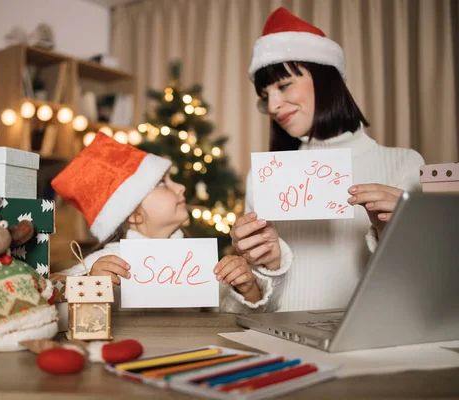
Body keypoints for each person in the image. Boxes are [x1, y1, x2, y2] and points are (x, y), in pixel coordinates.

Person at [232, 7, 425, 312]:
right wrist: (269, 264)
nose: (274, 105)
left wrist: (390, 232)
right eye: (265, 95)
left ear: (326, 78)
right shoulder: (262, 178)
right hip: (282, 341)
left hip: (368, 346)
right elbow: (262, 305)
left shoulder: (404, 164)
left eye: (283, 86)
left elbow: (419, 289)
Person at [51, 132, 293, 312]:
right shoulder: (103, 264)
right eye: (162, 183)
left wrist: (248, 289)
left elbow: (230, 315)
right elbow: (47, 298)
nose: (180, 187)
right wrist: (90, 285)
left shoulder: (195, 260)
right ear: (133, 214)